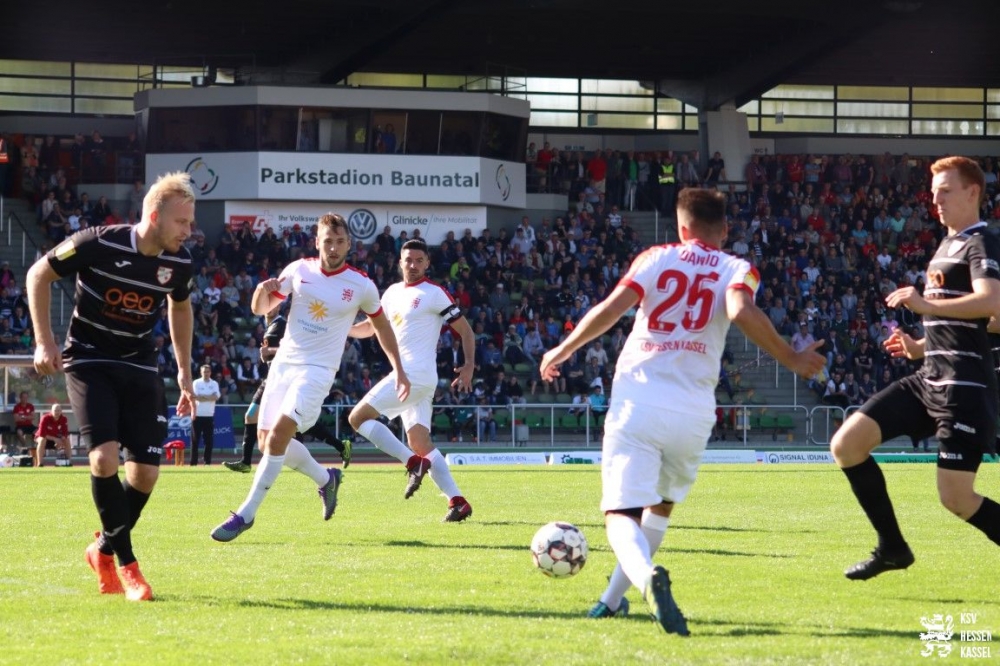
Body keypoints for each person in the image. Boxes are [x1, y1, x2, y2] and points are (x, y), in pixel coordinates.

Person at [539, 188, 824, 635]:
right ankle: (610, 602)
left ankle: (646, 577)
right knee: (660, 507)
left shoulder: (655, 258)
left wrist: (563, 348)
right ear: (724, 229)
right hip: (694, 410)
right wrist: (790, 357)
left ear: (681, 226)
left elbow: (612, 309)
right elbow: (740, 309)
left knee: (621, 513)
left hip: (640, 397)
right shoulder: (738, 268)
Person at [27, 171, 198, 601]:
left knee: (146, 474)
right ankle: (128, 566)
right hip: (90, 360)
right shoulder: (97, 242)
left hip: (139, 363)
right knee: (104, 460)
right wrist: (44, 341)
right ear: (155, 216)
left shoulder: (179, 263)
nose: (188, 231)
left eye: (190, 223)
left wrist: (184, 368)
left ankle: (101, 549)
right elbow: (38, 274)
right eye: (181, 222)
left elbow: (180, 308)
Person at [830, 156, 1000, 580]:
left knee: (956, 499)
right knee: (847, 445)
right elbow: (970, 321)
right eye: (933, 191)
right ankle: (892, 548)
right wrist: (920, 347)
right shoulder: (948, 244)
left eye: (946, 191)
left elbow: (991, 302)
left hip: (963, 386)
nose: (935, 199)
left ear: (973, 192)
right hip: (929, 378)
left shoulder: (981, 242)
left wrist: (923, 305)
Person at [211, 213, 410, 542]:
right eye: (328, 241)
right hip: (284, 365)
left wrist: (399, 369)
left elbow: (382, 328)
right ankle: (326, 479)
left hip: (317, 371)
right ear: (317, 242)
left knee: (279, 436)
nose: (333, 248)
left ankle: (246, 514)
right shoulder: (298, 270)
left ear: (349, 245)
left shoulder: (361, 284)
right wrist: (261, 291)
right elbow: (261, 308)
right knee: (266, 442)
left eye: (340, 242)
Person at [347, 239, 476, 522]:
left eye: (419, 260)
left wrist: (468, 366)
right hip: (414, 378)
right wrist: (344, 328)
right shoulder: (392, 292)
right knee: (419, 441)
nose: (413, 265)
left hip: (415, 375)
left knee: (357, 418)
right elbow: (371, 327)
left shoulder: (434, 293)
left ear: (427, 263)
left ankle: (412, 463)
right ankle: (457, 501)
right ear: (400, 263)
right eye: (408, 260)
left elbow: (466, 331)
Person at [223, 309, 352, 473]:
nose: (268, 306)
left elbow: (296, 349)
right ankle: (246, 462)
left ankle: (339, 447)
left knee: (298, 422)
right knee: (252, 415)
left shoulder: (282, 325)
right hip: (271, 379)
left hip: (283, 379)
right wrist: (266, 357)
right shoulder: (269, 325)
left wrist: (269, 351)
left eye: (272, 302)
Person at [189, 364, 220, 465]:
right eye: (204, 372)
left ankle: (207, 462)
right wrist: (209, 397)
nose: (206, 374)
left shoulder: (214, 383)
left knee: (209, 441)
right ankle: (193, 462)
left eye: (207, 372)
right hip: (197, 415)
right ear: (201, 373)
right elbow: (196, 397)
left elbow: (216, 397)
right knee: (195, 440)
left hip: (209, 415)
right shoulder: (196, 383)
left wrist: (203, 397)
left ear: (210, 373)